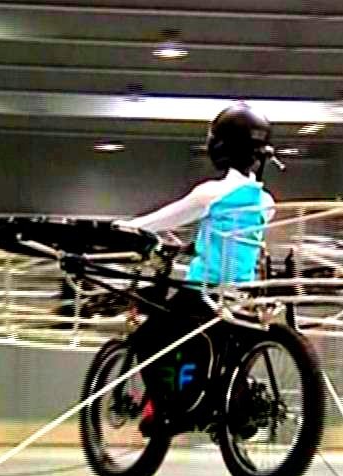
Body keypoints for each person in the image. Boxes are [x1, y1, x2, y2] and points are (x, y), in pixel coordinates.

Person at [116, 102, 279, 431]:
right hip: (240, 296)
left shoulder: (211, 194)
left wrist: (123, 228)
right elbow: (233, 240)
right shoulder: (267, 203)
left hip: (202, 293)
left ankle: (164, 410)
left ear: (220, 146)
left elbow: (160, 221)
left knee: (148, 337)